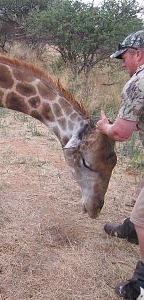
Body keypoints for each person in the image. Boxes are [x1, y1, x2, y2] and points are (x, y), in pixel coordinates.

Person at [96, 29, 144, 299]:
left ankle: (142, 284)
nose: (122, 62)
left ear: (138, 54)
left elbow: (121, 134)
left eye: (124, 56)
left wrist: (105, 126)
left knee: (143, 216)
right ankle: (130, 231)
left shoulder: (137, 83)